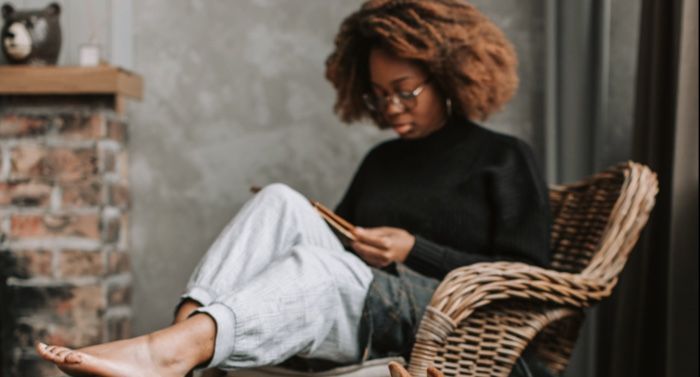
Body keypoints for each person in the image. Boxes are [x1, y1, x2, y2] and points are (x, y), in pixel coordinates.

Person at [36, 1, 551, 376]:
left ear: (448, 76)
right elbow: (343, 251)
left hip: (448, 320)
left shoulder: (502, 158)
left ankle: (170, 354)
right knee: (280, 199)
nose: (391, 108)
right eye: (377, 97)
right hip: (366, 300)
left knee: (319, 268)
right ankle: (181, 348)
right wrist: (345, 234)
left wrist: (415, 248)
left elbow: (528, 278)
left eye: (405, 92)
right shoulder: (382, 160)